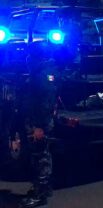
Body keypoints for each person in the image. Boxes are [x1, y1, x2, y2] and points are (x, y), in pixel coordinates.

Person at [17, 42, 57, 208]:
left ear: (36, 57)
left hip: (38, 123)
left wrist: (39, 127)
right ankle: (44, 188)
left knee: (39, 157)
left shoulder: (42, 74)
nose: (27, 58)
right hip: (37, 121)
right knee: (43, 154)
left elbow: (44, 103)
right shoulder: (44, 72)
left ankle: (39, 194)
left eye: (30, 55)